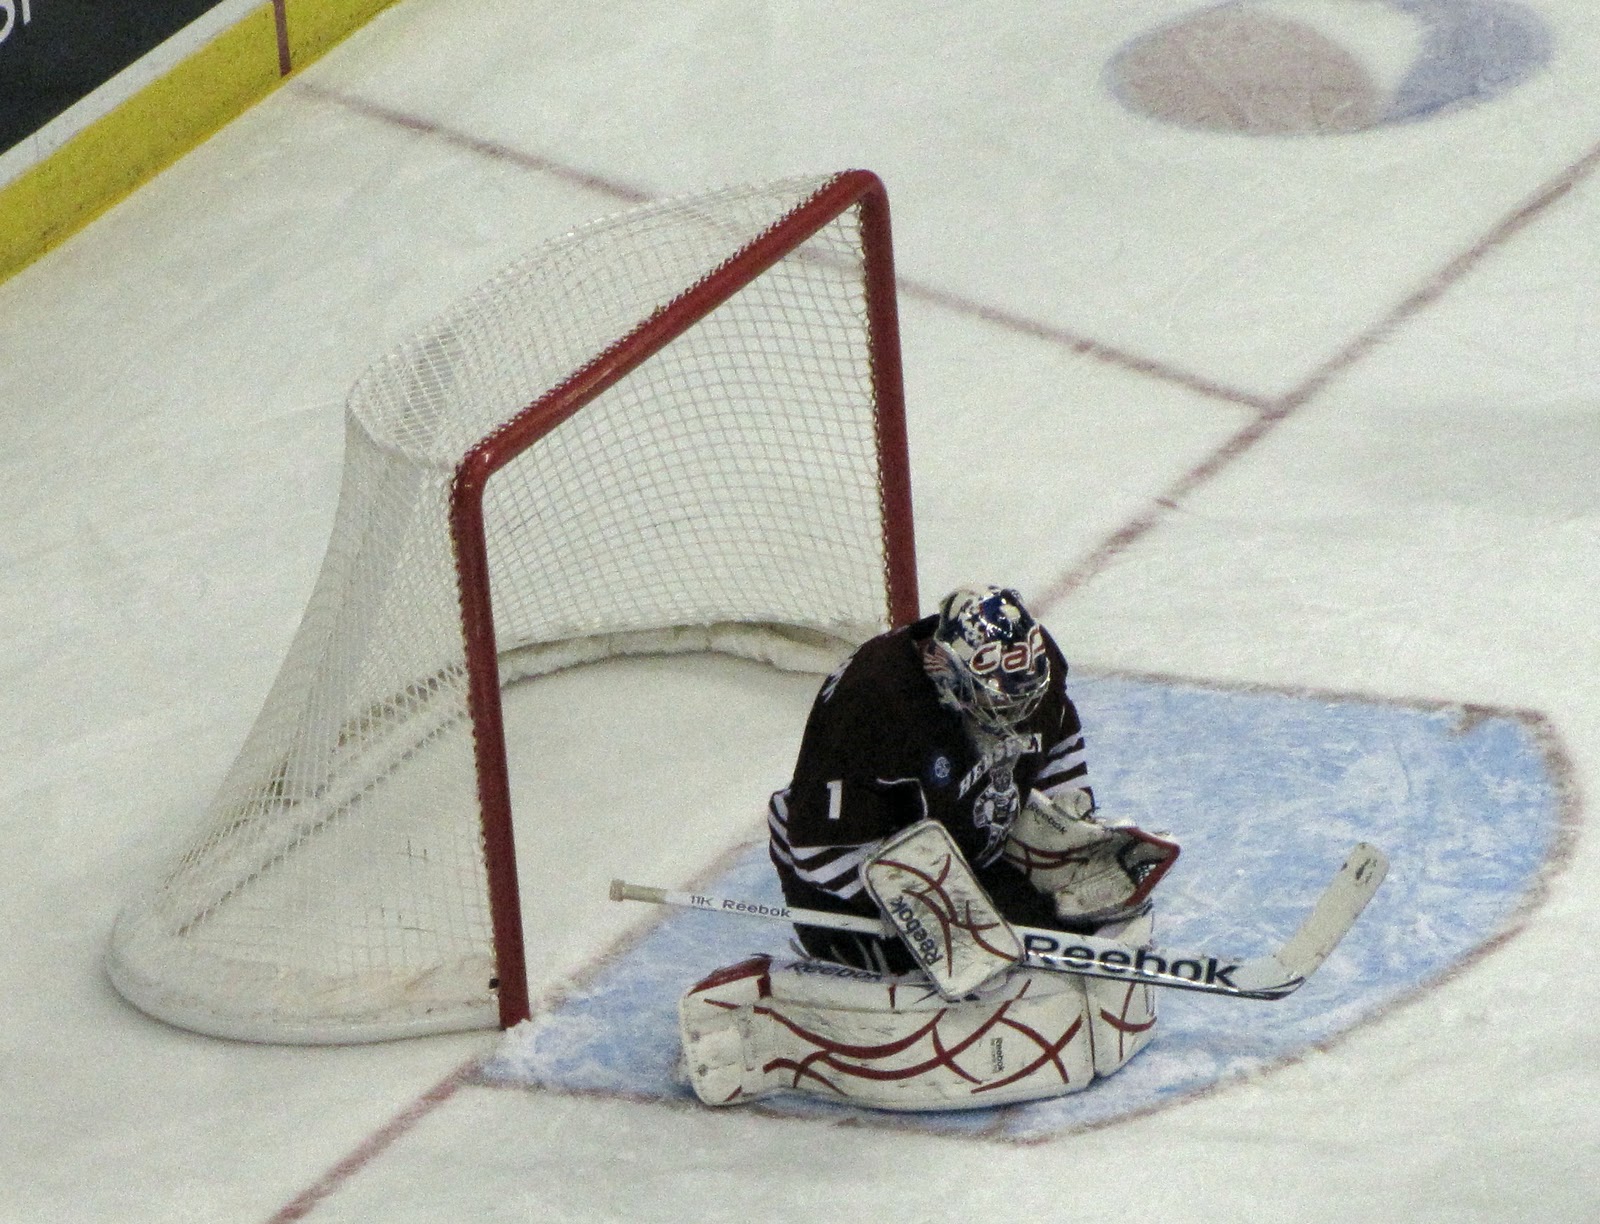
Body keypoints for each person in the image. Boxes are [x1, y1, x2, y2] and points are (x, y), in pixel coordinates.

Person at [767, 584, 1104, 975]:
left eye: (1024, 700)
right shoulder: (873, 702)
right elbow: (817, 847)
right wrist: (932, 916)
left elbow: (1057, 734)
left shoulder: (1024, 665)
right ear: (951, 672)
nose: (1016, 714)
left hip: (964, 859)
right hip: (846, 873)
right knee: (958, 974)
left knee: (1060, 941)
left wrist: (1068, 819)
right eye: (999, 702)